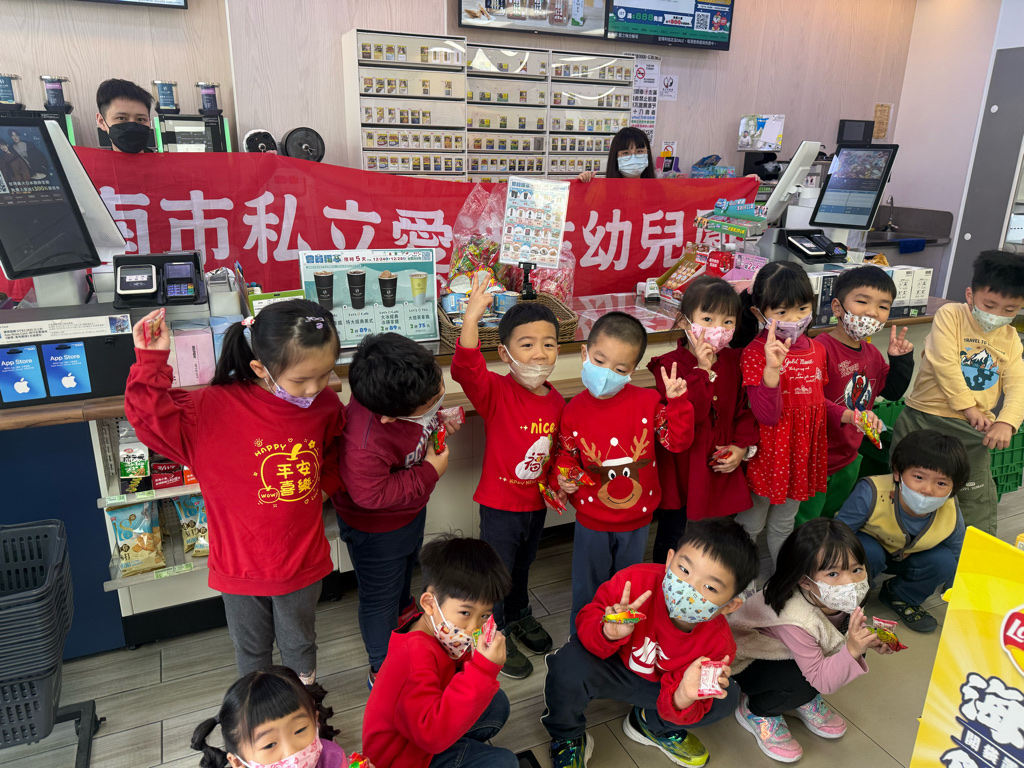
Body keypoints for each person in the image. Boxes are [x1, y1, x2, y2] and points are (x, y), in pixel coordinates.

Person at [125, 301, 345, 683]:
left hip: (301, 561)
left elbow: (336, 452)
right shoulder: (210, 410)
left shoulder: (324, 404)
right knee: (251, 651)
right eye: (301, 380)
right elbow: (149, 418)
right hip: (238, 566)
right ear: (260, 368)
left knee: (300, 645)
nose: (314, 389)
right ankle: (256, 714)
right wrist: (150, 361)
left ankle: (305, 707)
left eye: (324, 375)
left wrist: (320, 489)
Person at [541, 518, 759, 768]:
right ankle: (568, 736)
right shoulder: (634, 581)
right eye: (684, 570)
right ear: (669, 559)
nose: (688, 589)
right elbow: (587, 621)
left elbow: (693, 698)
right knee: (567, 664)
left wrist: (683, 696)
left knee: (724, 697)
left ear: (730, 605)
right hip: (613, 665)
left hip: (663, 689)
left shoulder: (718, 645)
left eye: (709, 587)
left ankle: (651, 725)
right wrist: (608, 631)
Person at [451, 273, 565, 679]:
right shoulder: (496, 392)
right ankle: (493, 630)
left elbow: (558, 455)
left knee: (523, 564)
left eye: (548, 344)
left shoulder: (558, 400)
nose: (539, 354)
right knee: (497, 572)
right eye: (527, 345)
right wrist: (470, 319)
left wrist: (561, 483)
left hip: (536, 503)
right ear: (504, 352)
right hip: (500, 505)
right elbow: (466, 369)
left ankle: (518, 614)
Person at [552, 311, 694, 630]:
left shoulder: (649, 401)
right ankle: (583, 637)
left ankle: (621, 638)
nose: (606, 374)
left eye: (618, 369)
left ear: (632, 370)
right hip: (591, 518)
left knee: (627, 587)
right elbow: (566, 454)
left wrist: (678, 405)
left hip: (637, 519)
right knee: (588, 589)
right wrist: (566, 475)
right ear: (585, 353)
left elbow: (677, 442)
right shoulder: (572, 410)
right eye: (599, 361)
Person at [331, 332, 456, 690]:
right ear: (389, 417)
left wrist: (437, 421)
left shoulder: (404, 395)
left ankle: (404, 615)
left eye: (438, 388)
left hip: (409, 512)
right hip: (375, 530)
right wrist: (430, 471)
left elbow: (421, 418)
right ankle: (381, 668)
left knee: (404, 570)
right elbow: (371, 495)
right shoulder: (364, 443)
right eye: (430, 403)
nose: (439, 395)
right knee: (378, 599)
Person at [728, 519, 892, 763]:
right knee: (803, 683)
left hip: (790, 652)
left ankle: (802, 701)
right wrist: (851, 650)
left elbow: (839, 631)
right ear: (805, 581)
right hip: (748, 660)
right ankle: (757, 710)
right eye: (833, 573)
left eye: (857, 569)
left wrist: (867, 640)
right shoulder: (794, 616)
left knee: (856, 647)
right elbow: (822, 681)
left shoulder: (838, 596)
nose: (849, 582)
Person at [893, 250, 1024, 535]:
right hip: (923, 417)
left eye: (1009, 310)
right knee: (906, 492)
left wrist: (1007, 421)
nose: (996, 315)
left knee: (974, 500)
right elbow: (945, 364)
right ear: (970, 295)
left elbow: (1018, 385)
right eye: (989, 305)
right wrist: (968, 406)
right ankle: (900, 547)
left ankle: (968, 554)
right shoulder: (951, 314)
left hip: (972, 430)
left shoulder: (1011, 339)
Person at [361, 534, 518, 768]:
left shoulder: (437, 628)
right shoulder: (414, 659)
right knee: (504, 763)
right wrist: (483, 670)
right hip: (403, 758)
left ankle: (458, 748)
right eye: (465, 613)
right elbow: (431, 737)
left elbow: (452, 676)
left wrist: (476, 657)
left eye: (484, 615)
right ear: (429, 603)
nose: (473, 627)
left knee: (496, 703)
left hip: (423, 732)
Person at [647, 276, 759, 565]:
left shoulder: (735, 361)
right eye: (707, 319)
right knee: (674, 532)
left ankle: (708, 579)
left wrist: (741, 447)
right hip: (683, 464)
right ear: (684, 321)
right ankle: (662, 578)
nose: (717, 329)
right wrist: (702, 370)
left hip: (720, 461)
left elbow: (744, 409)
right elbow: (691, 416)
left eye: (727, 322)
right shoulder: (668, 365)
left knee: (718, 532)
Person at [795, 266, 915, 526]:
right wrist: (849, 416)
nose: (872, 312)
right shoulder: (818, 348)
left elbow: (891, 391)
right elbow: (808, 400)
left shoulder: (872, 354)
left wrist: (901, 360)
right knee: (805, 522)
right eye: (862, 302)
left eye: (883, 306)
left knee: (831, 517)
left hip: (849, 456)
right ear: (837, 307)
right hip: (814, 458)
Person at [734, 263, 828, 566]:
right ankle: (740, 578)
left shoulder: (817, 349)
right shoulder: (754, 353)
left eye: (802, 308)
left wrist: (847, 416)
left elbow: (817, 401)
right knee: (751, 524)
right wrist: (772, 370)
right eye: (782, 311)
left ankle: (782, 582)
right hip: (767, 455)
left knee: (785, 524)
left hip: (800, 454)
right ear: (758, 312)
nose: (794, 319)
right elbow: (766, 415)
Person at [836, 430, 968, 633]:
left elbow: (958, 549)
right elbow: (838, 534)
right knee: (865, 550)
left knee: (945, 561)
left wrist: (956, 589)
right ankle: (849, 598)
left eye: (941, 483)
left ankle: (901, 596)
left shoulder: (950, 508)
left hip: (911, 558)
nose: (928, 489)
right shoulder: (871, 491)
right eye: (919, 477)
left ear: (954, 487)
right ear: (897, 472)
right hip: (870, 553)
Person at [190, 666, 358, 768]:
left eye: (300, 730)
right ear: (239, 762)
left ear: (315, 722)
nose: (292, 751)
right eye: (269, 744)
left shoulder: (332, 758)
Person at [95, 77, 154, 153]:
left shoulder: (164, 160)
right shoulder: (89, 161)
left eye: (140, 119)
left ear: (149, 122)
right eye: (121, 118)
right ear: (101, 121)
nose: (132, 126)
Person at [577, 126, 656, 182]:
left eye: (639, 151)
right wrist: (585, 186)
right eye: (626, 153)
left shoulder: (658, 191)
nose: (633, 158)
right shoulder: (602, 191)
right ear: (615, 157)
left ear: (647, 153)